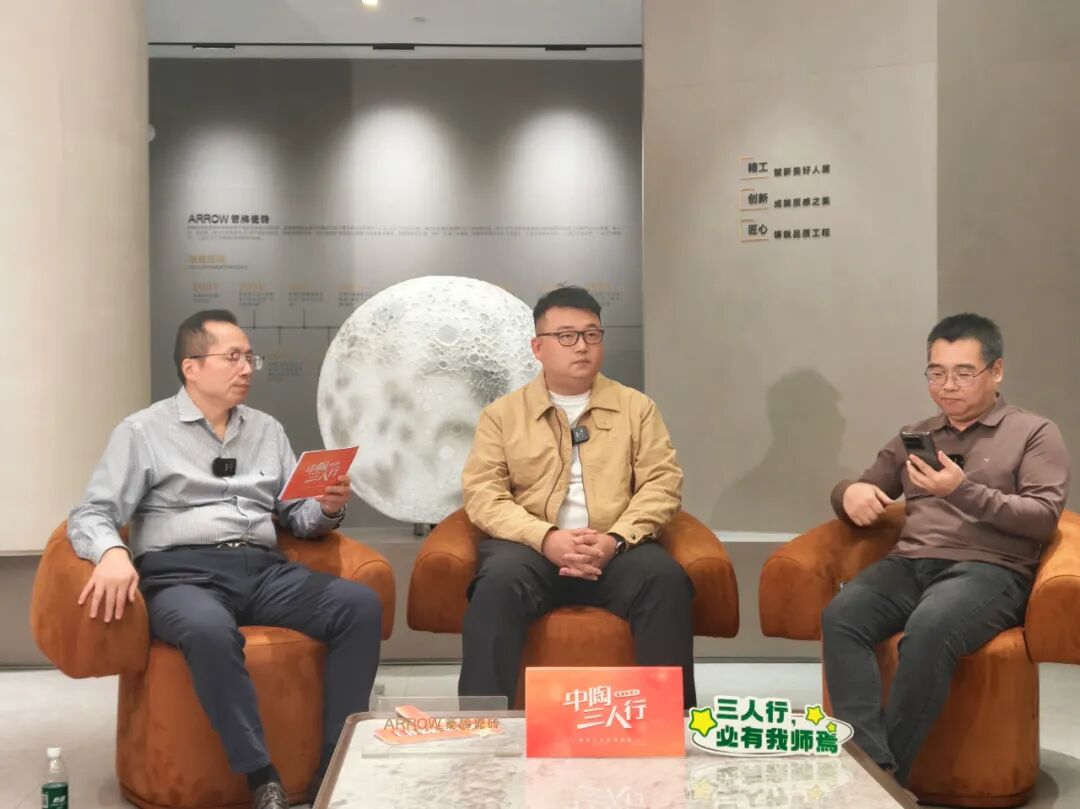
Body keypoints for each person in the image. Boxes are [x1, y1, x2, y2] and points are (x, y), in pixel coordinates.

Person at [68, 310, 382, 809]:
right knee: (208, 630)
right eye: (232, 357)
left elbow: (295, 517)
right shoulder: (143, 431)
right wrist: (111, 552)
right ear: (191, 367)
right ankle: (261, 776)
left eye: (250, 357)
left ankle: (333, 767)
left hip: (263, 570)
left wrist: (326, 508)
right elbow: (92, 512)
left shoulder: (266, 429)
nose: (247, 368)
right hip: (182, 576)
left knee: (359, 606)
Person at [821, 313, 1070, 788]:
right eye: (936, 373)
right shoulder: (917, 435)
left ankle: (881, 783)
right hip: (910, 564)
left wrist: (961, 490)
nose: (947, 386)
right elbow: (866, 488)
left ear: (996, 371)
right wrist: (847, 493)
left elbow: (1042, 516)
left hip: (990, 570)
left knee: (930, 628)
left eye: (963, 373)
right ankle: (870, 766)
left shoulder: (1034, 433)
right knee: (841, 615)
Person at [458, 286, 697, 708]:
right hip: (531, 551)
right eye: (566, 336)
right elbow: (484, 494)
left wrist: (615, 539)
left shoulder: (637, 408)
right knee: (496, 585)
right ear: (538, 347)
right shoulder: (502, 415)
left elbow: (662, 484)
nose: (582, 346)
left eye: (591, 334)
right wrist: (546, 538)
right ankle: (483, 728)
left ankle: (667, 724)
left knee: (664, 580)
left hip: (616, 549)